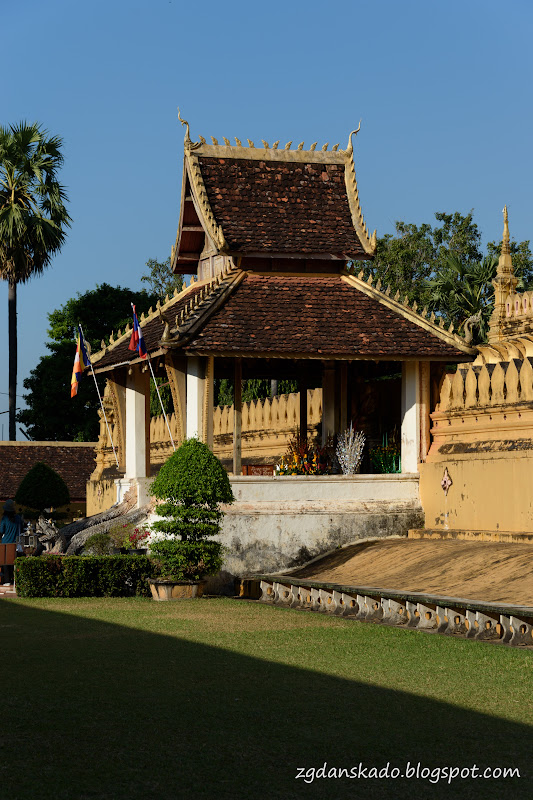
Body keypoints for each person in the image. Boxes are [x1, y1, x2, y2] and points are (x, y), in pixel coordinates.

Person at [0, 499, 23, 586]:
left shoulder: (5, 518)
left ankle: (6, 580)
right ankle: (15, 579)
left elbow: (1, 530)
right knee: (14, 562)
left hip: (5, 543)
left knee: (5, 562)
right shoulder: (18, 518)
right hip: (16, 544)